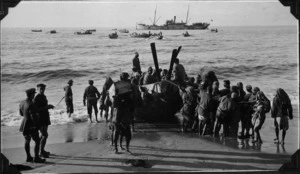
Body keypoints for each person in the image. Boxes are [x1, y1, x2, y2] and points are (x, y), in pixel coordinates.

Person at [19, 88, 45, 163]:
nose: (34, 95)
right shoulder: (31, 104)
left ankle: (28, 157)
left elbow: (21, 114)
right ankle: (36, 158)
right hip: (31, 125)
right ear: (32, 95)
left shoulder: (22, 102)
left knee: (27, 140)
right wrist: (37, 126)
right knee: (37, 141)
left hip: (24, 124)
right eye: (34, 94)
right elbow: (33, 116)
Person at [110, 73, 134, 153]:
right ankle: (126, 148)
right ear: (125, 78)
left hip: (118, 111)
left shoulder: (115, 85)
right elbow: (131, 98)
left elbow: (112, 99)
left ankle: (116, 148)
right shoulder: (129, 85)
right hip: (125, 110)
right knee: (127, 132)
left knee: (116, 131)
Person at [34, 83, 54, 158]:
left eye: (43, 89)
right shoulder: (36, 98)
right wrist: (46, 107)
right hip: (40, 118)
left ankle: (41, 150)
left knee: (42, 135)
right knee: (45, 135)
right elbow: (35, 110)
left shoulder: (44, 96)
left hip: (45, 117)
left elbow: (44, 107)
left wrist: (49, 106)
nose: (42, 90)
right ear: (38, 89)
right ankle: (41, 152)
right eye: (40, 89)